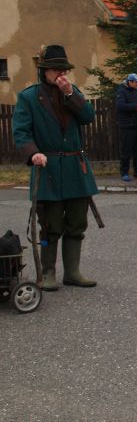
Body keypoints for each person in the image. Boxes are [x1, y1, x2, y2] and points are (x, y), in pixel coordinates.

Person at [12, 45, 98, 291]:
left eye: (64, 69)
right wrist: (33, 153)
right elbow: (21, 132)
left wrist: (70, 94)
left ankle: (72, 272)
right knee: (50, 226)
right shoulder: (29, 97)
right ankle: (48, 272)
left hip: (75, 167)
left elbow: (88, 117)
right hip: (47, 167)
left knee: (76, 222)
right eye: (56, 69)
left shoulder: (72, 91)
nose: (61, 74)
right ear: (44, 71)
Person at [115, 73, 137, 181]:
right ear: (130, 82)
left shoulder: (136, 91)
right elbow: (120, 105)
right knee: (126, 150)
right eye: (136, 82)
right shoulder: (121, 91)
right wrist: (136, 107)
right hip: (127, 126)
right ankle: (124, 172)